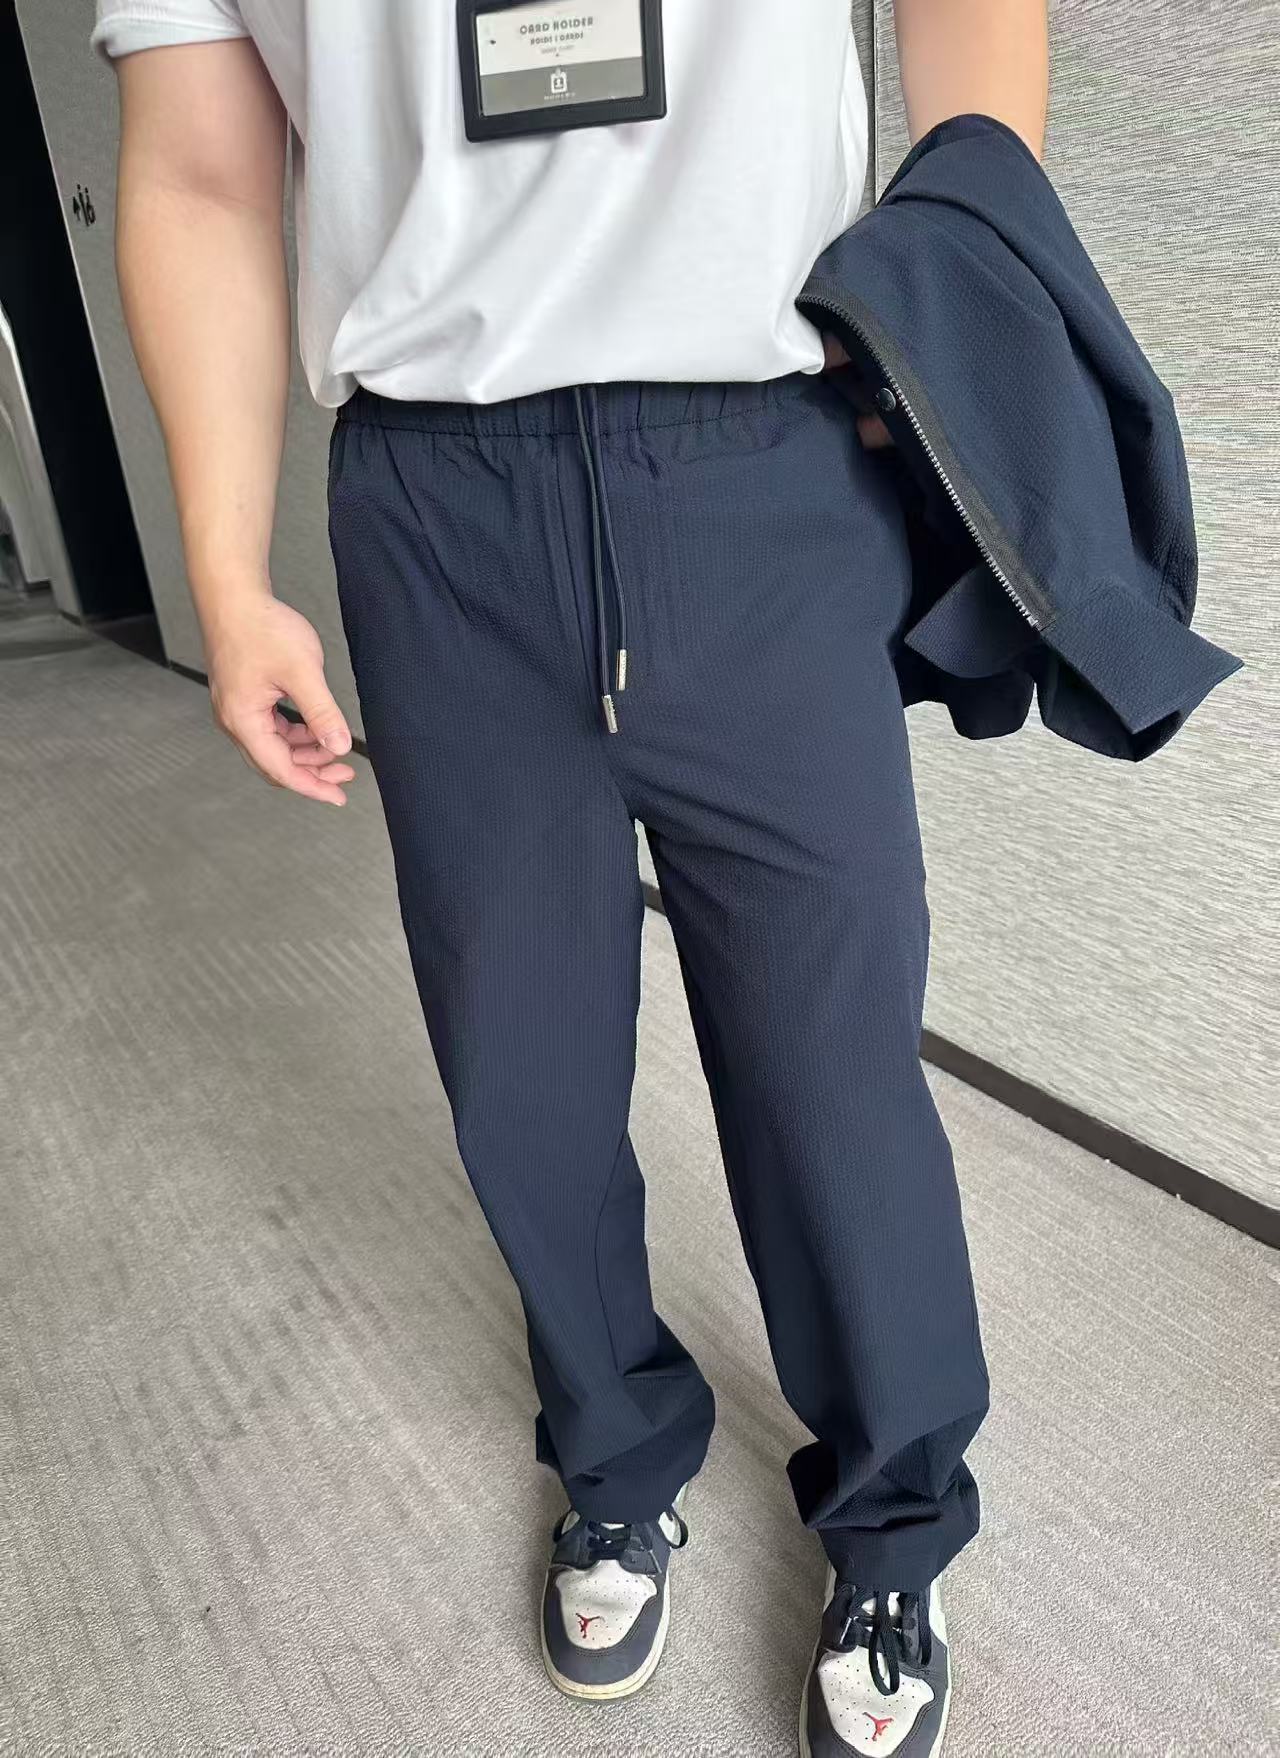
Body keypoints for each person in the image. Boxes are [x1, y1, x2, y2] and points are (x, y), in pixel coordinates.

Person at [94, 3, 1048, 1751]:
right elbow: (206, 171)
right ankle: (615, 1450)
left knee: (832, 1066)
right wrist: (227, 574)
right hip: (438, 504)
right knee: (519, 1063)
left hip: (772, 455)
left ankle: (899, 1515)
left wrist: (954, 328)